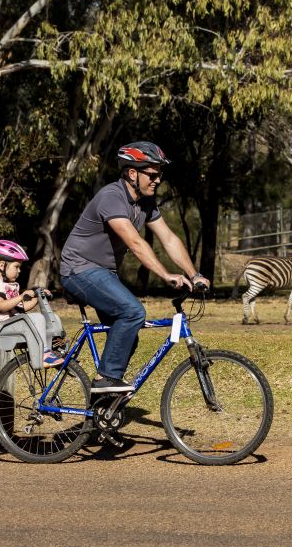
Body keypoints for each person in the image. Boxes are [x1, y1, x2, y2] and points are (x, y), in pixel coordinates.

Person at [59, 141, 210, 394]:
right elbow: (135, 242)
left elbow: (169, 239)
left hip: (103, 272)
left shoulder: (145, 204)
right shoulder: (112, 197)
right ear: (132, 173)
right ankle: (105, 380)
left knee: (129, 334)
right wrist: (166, 275)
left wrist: (193, 274)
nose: (157, 180)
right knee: (132, 312)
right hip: (79, 269)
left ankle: (104, 408)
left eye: (160, 174)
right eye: (152, 174)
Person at [0, 240, 64, 368]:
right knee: (37, 318)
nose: (19, 271)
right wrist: (21, 296)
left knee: (53, 318)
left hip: (16, 321)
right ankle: (44, 354)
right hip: (5, 326)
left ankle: (58, 350)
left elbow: (21, 308)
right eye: (16, 266)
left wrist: (38, 297)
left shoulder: (5, 285)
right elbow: (1, 306)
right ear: (2, 265)